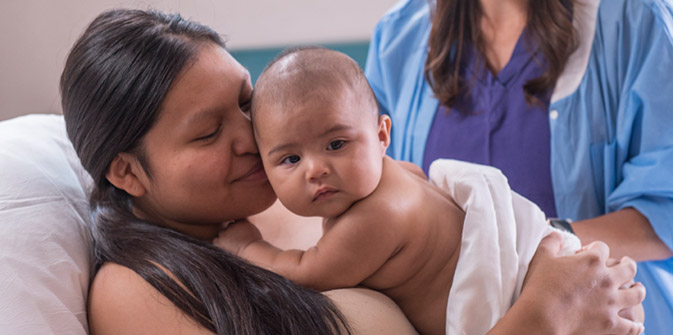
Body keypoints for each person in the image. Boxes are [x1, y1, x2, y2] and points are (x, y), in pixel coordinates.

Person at [60, 7, 645, 335]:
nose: (253, 138)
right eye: (209, 133)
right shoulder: (136, 291)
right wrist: (547, 312)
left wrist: (569, 277)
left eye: (247, 103)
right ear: (128, 173)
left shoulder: (299, 209)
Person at [213, 46, 599, 334]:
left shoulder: (375, 217)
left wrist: (247, 247)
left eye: (336, 145)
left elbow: (305, 273)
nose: (315, 169)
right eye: (290, 159)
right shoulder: (404, 173)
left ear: (382, 134)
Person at [364, 0, 673, 332]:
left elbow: (663, 207)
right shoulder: (397, 36)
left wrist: (542, 250)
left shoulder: (635, 22)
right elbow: (367, 190)